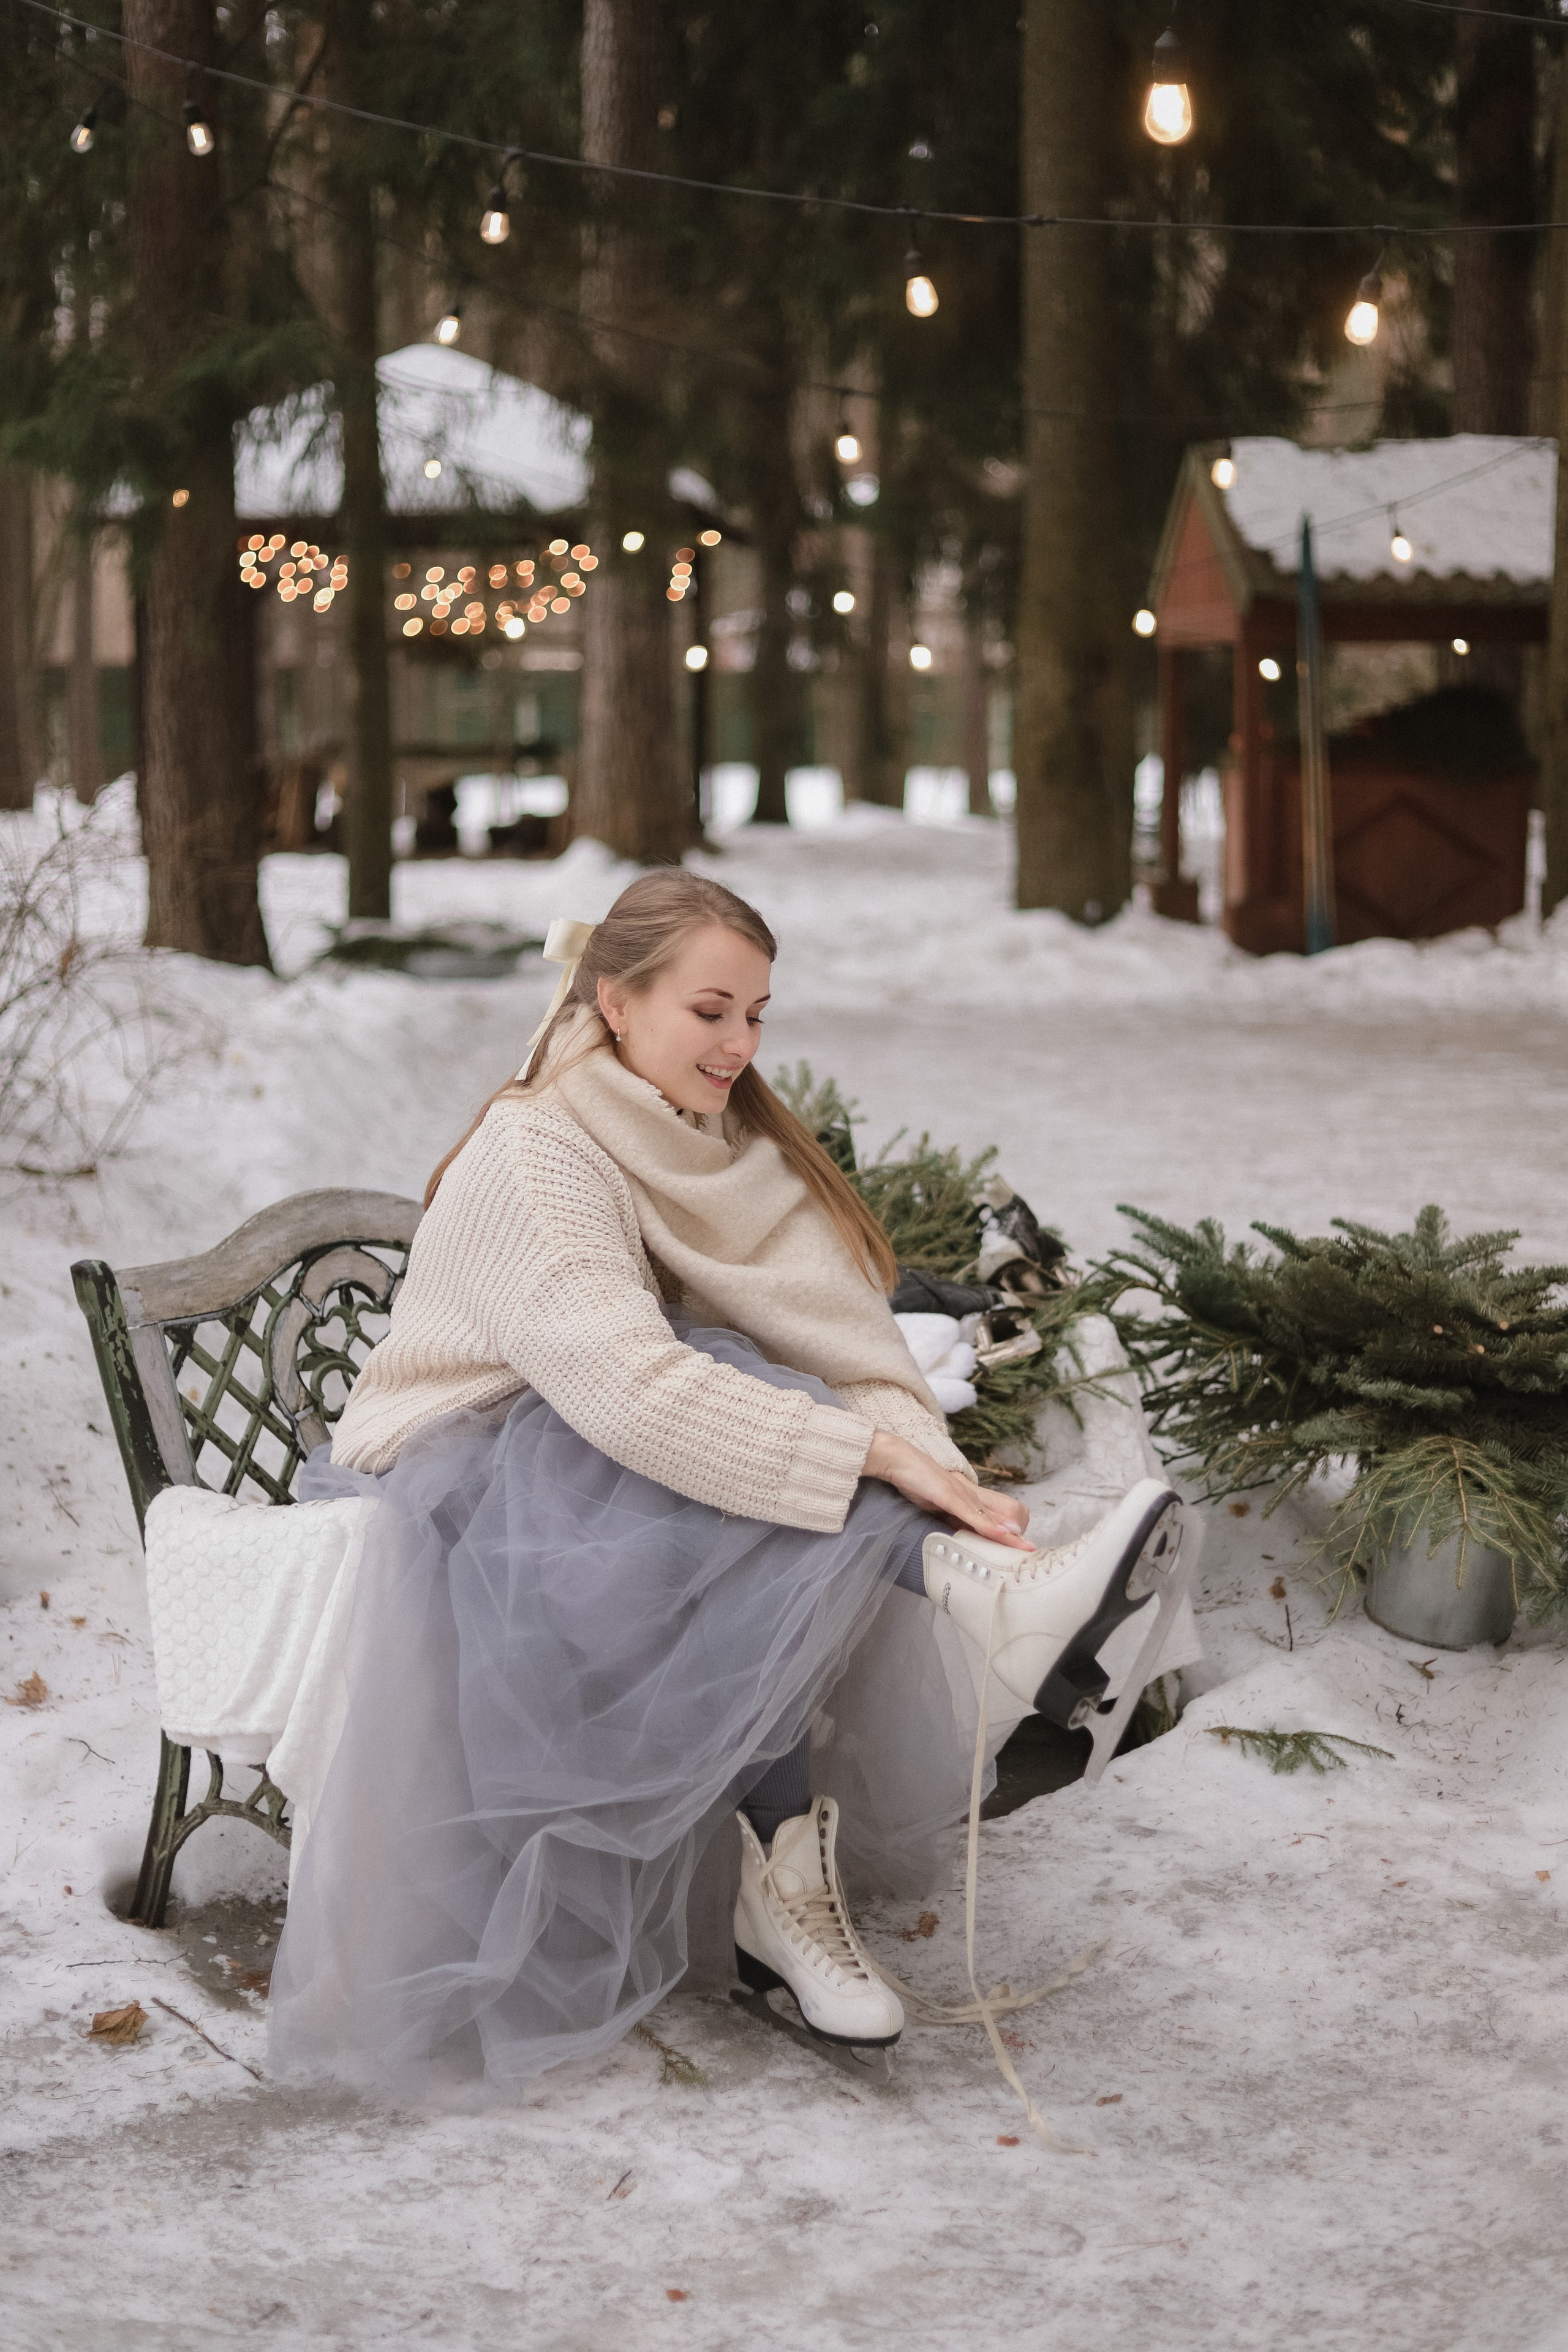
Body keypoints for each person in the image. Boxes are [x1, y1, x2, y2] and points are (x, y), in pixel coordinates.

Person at [267, 872, 1180, 2098]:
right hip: (462, 1466)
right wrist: (872, 1463)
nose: (740, 1045)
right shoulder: (539, 1150)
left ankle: (976, 1606)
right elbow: (628, 1388)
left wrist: (936, 1479)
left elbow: (840, 1346)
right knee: (711, 1424)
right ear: (616, 999)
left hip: (605, 1450)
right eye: (710, 1012)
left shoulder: (727, 1146)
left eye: (756, 1014)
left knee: (751, 1407)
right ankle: (797, 1848)